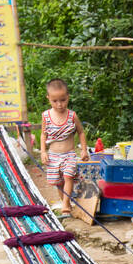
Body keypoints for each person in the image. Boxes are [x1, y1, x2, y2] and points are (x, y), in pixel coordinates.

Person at [40, 78, 89, 214]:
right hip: (53, 155)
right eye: (55, 101)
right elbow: (43, 135)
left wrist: (84, 150)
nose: (59, 104)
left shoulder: (72, 116)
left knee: (68, 176)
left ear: (68, 97)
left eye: (63, 100)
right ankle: (65, 203)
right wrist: (43, 152)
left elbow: (81, 132)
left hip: (69, 154)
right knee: (58, 182)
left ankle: (66, 204)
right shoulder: (46, 116)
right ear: (48, 98)